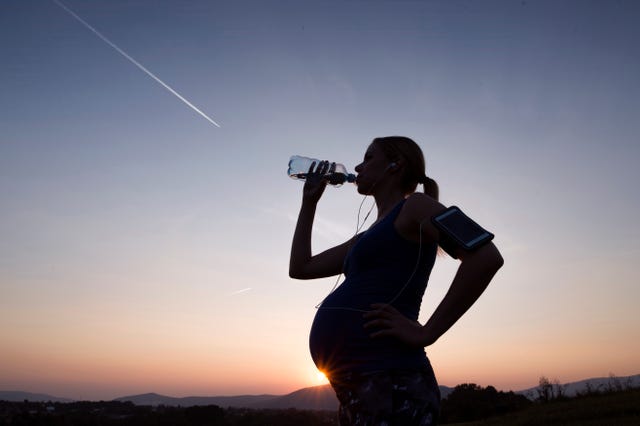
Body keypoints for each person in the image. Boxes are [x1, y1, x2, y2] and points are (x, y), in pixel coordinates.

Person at [289, 136, 504, 425]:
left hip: (392, 382)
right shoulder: (365, 238)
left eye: (368, 158)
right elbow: (301, 267)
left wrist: (427, 332)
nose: (357, 166)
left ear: (395, 164)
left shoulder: (415, 206)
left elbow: (486, 256)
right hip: (358, 388)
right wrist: (309, 203)